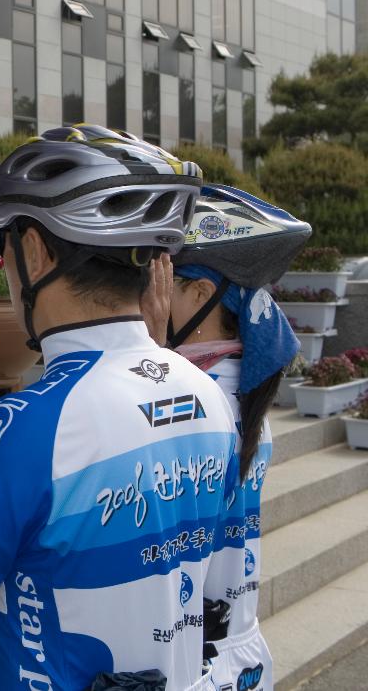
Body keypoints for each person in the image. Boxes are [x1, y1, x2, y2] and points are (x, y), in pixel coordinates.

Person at [0, 124, 235, 690]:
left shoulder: (29, 424)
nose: (1, 263)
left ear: (35, 250)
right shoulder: (208, 391)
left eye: (3, 242)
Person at [141, 185, 311, 691]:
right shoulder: (237, 383)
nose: (146, 296)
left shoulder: (190, 398)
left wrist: (143, 360)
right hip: (231, 647)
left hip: (195, 655)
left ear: (198, 293)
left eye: (161, 277)